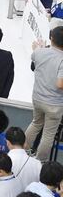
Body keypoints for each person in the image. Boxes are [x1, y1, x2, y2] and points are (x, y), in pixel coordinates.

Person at [24, 26, 63, 161]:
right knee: (48, 134)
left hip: (38, 99)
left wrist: (38, 48)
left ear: (51, 38)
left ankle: (22, 152)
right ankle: (40, 162)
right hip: (55, 105)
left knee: (35, 124)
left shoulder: (40, 52)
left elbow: (35, 55)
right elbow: (60, 84)